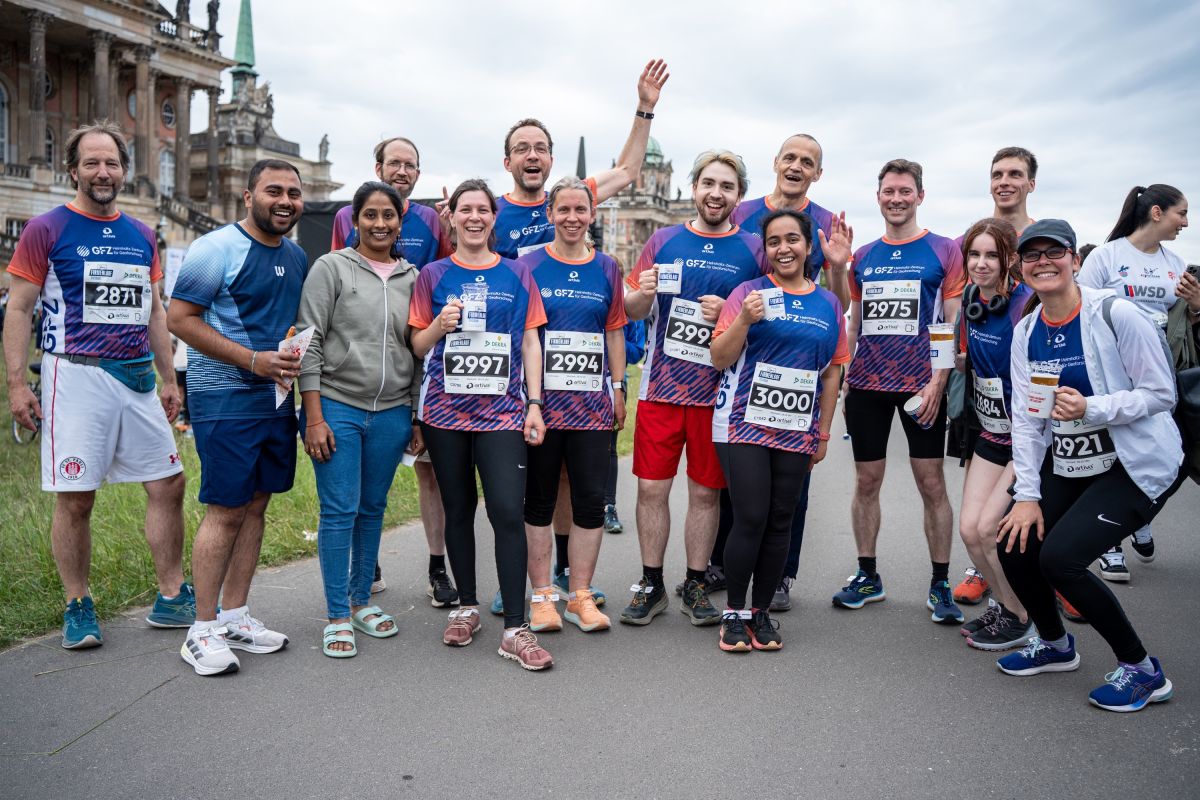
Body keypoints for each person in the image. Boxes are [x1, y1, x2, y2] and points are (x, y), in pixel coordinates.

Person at [3, 122, 191, 649]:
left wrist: (169, 377)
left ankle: (172, 595)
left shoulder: (143, 234)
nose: (102, 172)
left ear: (124, 171)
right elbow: (18, 309)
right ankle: (78, 603)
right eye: (92, 163)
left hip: (137, 377)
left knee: (168, 484)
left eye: (111, 163)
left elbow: (155, 311)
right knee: (77, 498)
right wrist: (17, 385)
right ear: (73, 171)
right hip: (76, 375)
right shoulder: (46, 228)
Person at [995, 218, 1185, 712]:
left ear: (1075, 260)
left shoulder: (1116, 314)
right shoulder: (1027, 331)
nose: (1043, 262)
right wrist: (1027, 495)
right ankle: (1055, 644)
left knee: (1061, 559)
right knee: (1014, 542)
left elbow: (1161, 393)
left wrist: (1091, 408)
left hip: (1134, 463)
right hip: (1073, 461)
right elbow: (1027, 421)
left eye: (1054, 252)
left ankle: (1143, 671)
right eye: (1032, 255)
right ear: (1021, 269)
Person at [168, 158, 309, 676]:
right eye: (274, 191)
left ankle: (234, 616)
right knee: (226, 509)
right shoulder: (215, 248)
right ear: (248, 196)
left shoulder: (296, 256)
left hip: (276, 399)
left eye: (293, 193)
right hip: (224, 399)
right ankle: (201, 630)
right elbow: (179, 319)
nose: (285, 201)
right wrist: (252, 360)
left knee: (257, 505)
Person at [409, 179, 554, 671]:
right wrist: (439, 325)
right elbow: (417, 345)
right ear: (451, 217)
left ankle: (515, 627)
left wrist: (535, 404)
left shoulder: (517, 273)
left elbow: (531, 341)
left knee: (508, 511)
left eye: (483, 210)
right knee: (457, 508)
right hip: (445, 413)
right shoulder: (432, 274)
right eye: (465, 209)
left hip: (503, 413)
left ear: (494, 218)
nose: (474, 217)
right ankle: (466, 606)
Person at [619, 149, 767, 627]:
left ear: (738, 196)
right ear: (694, 187)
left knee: (705, 495)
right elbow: (633, 309)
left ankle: (697, 583)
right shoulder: (662, 240)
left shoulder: (753, 250)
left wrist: (730, 313)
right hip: (661, 389)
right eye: (708, 183)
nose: (716, 193)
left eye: (727, 186)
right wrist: (642, 293)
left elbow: (766, 316)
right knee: (650, 490)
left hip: (718, 395)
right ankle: (651, 583)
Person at [710, 209, 849, 652]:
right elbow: (719, 357)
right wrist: (742, 320)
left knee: (780, 520)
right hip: (743, 423)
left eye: (792, 239)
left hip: (796, 429)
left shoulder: (828, 304)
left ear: (808, 247)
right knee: (751, 516)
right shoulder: (748, 293)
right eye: (773, 241)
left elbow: (832, 373)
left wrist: (823, 433)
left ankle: (761, 611)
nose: (783, 248)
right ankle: (734, 612)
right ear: (765, 249)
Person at [835, 158, 966, 625]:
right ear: (878, 197)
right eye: (889, 191)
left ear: (920, 196)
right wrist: (845, 378)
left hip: (920, 387)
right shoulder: (863, 256)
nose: (896, 199)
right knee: (866, 482)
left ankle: (940, 582)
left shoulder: (944, 250)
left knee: (931, 484)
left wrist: (938, 382)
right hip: (867, 385)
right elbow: (854, 322)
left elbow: (951, 322)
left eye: (905, 191)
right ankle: (867, 575)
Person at [329, 136, 457, 608]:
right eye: (394, 163)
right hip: (363, 363)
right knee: (362, 477)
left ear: (418, 174)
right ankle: (368, 565)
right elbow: (338, 278)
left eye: (410, 165)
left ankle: (437, 568)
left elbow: (448, 271)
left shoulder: (432, 220)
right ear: (378, 167)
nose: (402, 171)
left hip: (423, 355)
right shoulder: (347, 215)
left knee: (431, 473)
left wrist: (453, 229)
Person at [297, 181, 421, 657]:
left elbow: (419, 351)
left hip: (392, 411)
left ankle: (360, 601)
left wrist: (415, 416)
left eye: (389, 215)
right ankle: (336, 615)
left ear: (400, 222)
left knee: (372, 509)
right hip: (336, 405)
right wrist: (313, 416)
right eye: (370, 214)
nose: (380, 223)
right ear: (355, 220)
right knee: (339, 509)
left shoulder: (414, 277)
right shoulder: (331, 268)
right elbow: (308, 340)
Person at [519, 176, 627, 633]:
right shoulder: (528, 265)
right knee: (540, 501)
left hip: (592, 409)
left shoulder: (607, 268)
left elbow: (614, 331)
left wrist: (619, 388)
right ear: (549, 214)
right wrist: (531, 400)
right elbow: (523, 336)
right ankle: (542, 596)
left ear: (592, 214)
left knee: (589, 502)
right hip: (541, 407)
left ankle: (579, 595)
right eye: (563, 209)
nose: (572, 218)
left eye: (580, 209)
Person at [1077, 184, 1197, 580]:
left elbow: (1185, 322)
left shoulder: (1175, 263)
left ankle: (1138, 517)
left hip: (1160, 374)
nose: (1185, 222)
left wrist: (1197, 304)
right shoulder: (1106, 257)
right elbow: (1081, 310)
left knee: (1163, 451)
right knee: (1109, 453)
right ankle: (1108, 545)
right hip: (1111, 374)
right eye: (1182, 213)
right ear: (1157, 212)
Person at [951, 147, 1039, 604]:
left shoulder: (1026, 305)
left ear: (1010, 260)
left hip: (1027, 435)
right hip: (989, 430)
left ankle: (1031, 612)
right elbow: (968, 357)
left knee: (991, 529)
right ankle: (1013, 613)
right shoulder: (972, 300)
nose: (981, 263)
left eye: (992, 256)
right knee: (971, 529)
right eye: (974, 255)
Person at [493, 59, 669, 259]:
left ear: (551, 160)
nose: (532, 155)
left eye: (541, 149)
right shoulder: (489, 214)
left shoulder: (570, 199)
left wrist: (645, 107)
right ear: (507, 163)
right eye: (522, 149)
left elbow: (626, 171)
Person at [732, 133, 851, 307]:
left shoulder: (828, 223)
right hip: (739, 318)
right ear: (776, 163)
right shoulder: (738, 213)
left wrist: (839, 268)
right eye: (789, 158)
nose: (795, 167)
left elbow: (840, 306)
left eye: (807, 162)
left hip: (798, 320)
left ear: (818, 174)